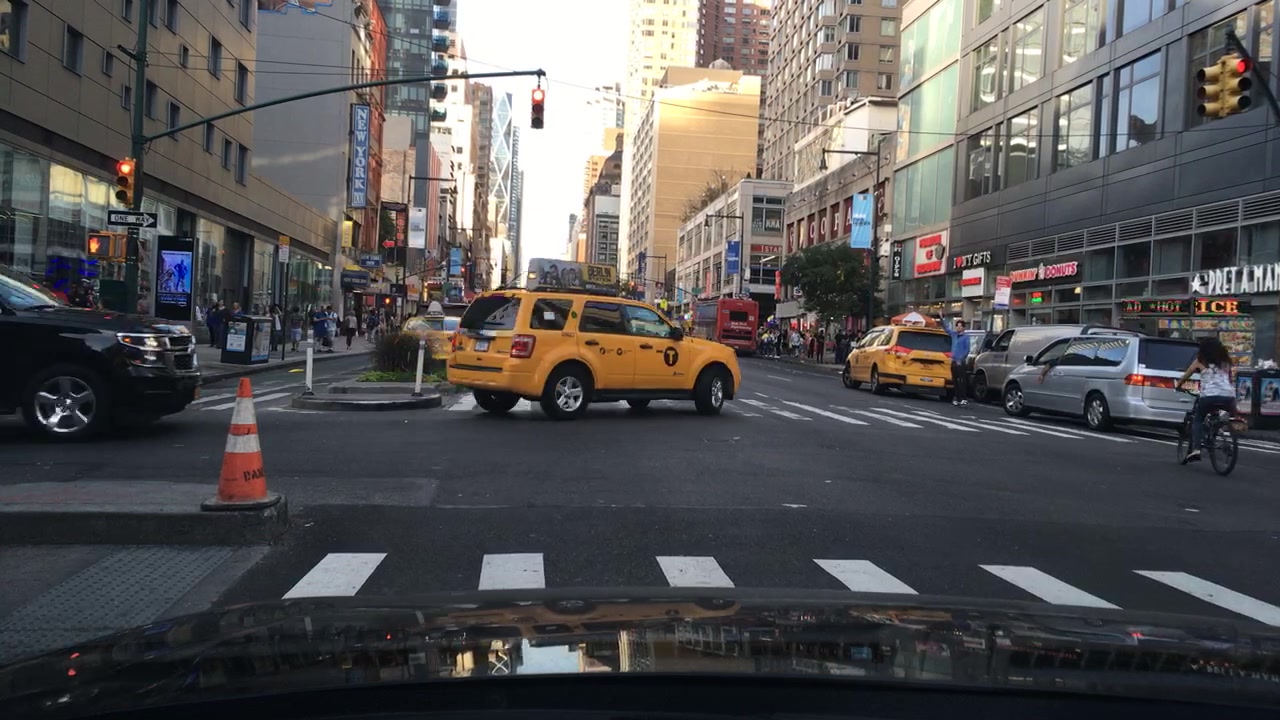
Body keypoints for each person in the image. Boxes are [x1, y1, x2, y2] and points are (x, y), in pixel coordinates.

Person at [1176, 338, 1237, 464]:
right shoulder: (1225, 361)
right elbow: (1229, 379)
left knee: (1198, 419)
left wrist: (1179, 385)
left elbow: (1186, 375)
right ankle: (1218, 433)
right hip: (1229, 396)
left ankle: (1197, 449)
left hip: (1209, 396)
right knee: (1217, 416)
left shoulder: (1200, 360)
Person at [942, 317, 971, 406]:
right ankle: (957, 398)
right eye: (957, 326)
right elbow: (947, 328)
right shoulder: (954, 335)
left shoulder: (966, 337)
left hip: (960, 362)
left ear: (963, 328)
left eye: (960, 326)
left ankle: (964, 398)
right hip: (953, 360)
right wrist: (942, 318)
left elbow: (967, 350)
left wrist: (961, 359)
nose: (958, 328)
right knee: (955, 381)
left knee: (961, 380)